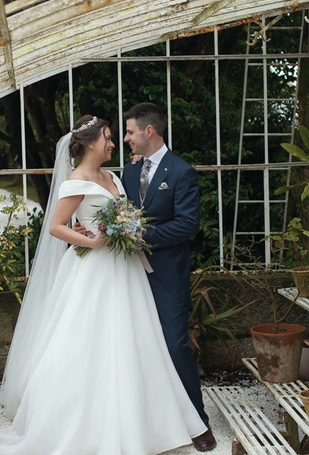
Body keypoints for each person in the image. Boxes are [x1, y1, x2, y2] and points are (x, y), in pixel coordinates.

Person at [0, 115, 208, 454]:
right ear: (92, 142)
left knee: (137, 341)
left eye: (119, 135)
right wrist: (92, 242)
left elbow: (128, 212)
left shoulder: (115, 176)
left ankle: (149, 421)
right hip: (94, 271)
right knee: (87, 343)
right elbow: (56, 226)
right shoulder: (75, 181)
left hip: (127, 270)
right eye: (109, 137)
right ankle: (86, 423)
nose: (115, 142)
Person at [121, 102, 216, 451]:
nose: (126, 138)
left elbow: (189, 223)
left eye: (130, 131)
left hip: (167, 275)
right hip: (128, 274)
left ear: (149, 131)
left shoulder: (182, 172)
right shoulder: (129, 172)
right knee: (136, 348)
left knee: (175, 344)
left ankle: (198, 423)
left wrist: (142, 236)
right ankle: (148, 422)